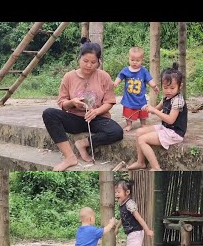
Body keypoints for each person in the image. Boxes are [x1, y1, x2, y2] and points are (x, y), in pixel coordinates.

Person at [42, 38, 124, 171]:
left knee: (116, 132)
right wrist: (72, 103)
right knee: (49, 114)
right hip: (75, 118)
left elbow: (109, 102)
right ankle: (69, 157)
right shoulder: (69, 77)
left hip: (97, 118)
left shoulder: (104, 76)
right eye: (85, 61)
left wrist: (96, 112)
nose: (89, 65)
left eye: (93, 62)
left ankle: (83, 144)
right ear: (79, 58)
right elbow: (62, 103)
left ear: (99, 62)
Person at [127, 63, 187, 171]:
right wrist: (148, 107)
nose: (168, 91)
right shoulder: (167, 97)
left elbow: (170, 119)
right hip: (166, 128)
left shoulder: (178, 100)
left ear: (180, 86)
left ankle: (156, 168)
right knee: (139, 132)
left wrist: (154, 110)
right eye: (165, 87)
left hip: (174, 133)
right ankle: (140, 162)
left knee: (142, 139)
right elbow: (157, 109)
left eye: (172, 88)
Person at [114, 179, 154, 246]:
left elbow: (139, 218)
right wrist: (117, 227)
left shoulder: (130, 204)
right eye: (115, 192)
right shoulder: (122, 204)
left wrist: (148, 230)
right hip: (131, 232)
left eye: (118, 191)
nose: (116, 194)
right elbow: (123, 217)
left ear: (127, 193)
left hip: (136, 231)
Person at [113, 47, 159, 132]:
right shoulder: (126, 70)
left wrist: (154, 86)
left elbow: (149, 79)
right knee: (128, 110)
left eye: (137, 61)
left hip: (140, 98)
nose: (134, 62)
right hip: (129, 98)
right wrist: (116, 83)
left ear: (142, 60)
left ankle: (143, 124)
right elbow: (120, 76)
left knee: (143, 111)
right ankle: (129, 125)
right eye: (132, 60)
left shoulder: (143, 71)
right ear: (129, 58)